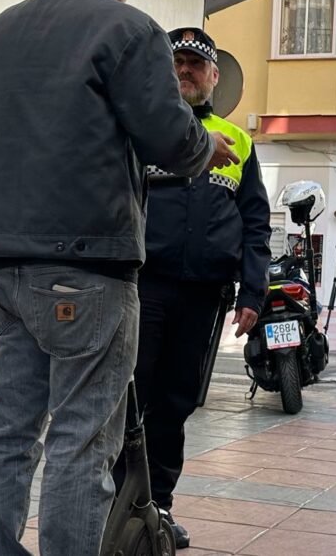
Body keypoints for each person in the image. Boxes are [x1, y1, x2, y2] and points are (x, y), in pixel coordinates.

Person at [0, 0, 239, 553]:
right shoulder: (127, 29)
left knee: (7, 432)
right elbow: (169, 136)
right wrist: (204, 144)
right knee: (81, 441)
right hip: (89, 264)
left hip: (6, 262)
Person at [110, 27, 271, 549]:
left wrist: (253, 292)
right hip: (144, 286)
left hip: (204, 295)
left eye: (195, 65)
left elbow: (255, 221)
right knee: (132, 398)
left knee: (176, 403)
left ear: (213, 77)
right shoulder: (146, 130)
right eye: (177, 63)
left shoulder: (238, 139)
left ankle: (158, 508)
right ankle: (120, 504)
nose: (185, 72)